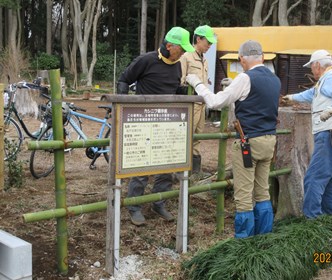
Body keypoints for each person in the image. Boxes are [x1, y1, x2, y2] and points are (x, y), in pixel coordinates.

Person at [186, 40, 280, 238]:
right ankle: (264, 237)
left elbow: (215, 101)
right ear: (262, 57)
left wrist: (197, 83)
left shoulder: (245, 78)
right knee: (263, 192)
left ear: (242, 59)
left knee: (244, 196)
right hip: (269, 140)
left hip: (249, 143)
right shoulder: (275, 80)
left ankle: (243, 243)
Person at [117, 26, 195, 226]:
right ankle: (134, 207)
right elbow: (124, 80)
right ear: (170, 45)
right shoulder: (146, 60)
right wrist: (121, 110)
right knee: (142, 166)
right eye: (182, 49)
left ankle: (159, 202)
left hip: (167, 122)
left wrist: (181, 92)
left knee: (167, 167)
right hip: (143, 121)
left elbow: (173, 88)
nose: (184, 53)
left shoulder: (177, 65)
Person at [283, 49, 332, 219]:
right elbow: (311, 94)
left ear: (317, 65)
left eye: (311, 67)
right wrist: (291, 97)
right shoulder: (324, 81)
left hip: (328, 133)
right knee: (331, 179)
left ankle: (311, 219)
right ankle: (330, 216)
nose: (311, 71)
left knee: (313, 177)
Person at [180, 25, 216, 175]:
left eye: (211, 43)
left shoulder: (204, 59)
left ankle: (195, 171)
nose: (209, 45)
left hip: (201, 104)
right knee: (185, 136)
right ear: (198, 39)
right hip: (190, 104)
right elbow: (181, 81)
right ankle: (181, 171)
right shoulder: (186, 56)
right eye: (207, 42)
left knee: (198, 136)